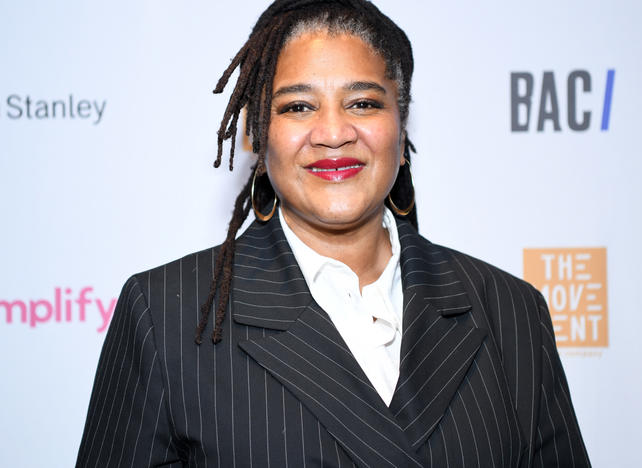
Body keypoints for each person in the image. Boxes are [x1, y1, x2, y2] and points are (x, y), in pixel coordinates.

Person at [76, 1, 590, 466]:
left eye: (363, 103)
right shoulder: (166, 314)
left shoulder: (510, 310)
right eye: (297, 106)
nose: (333, 132)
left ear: (401, 125)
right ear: (258, 134)